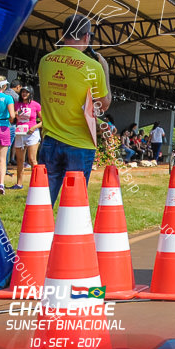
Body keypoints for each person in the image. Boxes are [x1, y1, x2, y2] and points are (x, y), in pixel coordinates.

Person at [37, 13, 111, 206]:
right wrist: (105, 70)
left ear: (63, 34)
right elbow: (103, 104)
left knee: (43, 202)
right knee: (73, 206)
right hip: (80, 144)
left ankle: (40, 236)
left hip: (50, 141)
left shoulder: (45, 61)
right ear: (87, 37)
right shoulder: (94, 66)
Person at [12, 85, 43, 188]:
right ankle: (19, 183)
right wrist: (14, 115)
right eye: (23, 92)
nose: (24, 94)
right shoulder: (17, 104)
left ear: (31, 94)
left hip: (32, 134)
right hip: (20, 133)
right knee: (20, 160)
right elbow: (11, 119)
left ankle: (37, 183)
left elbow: (44, 121)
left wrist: (34, 127)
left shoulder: (36, 105)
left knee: (32, 159)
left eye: (26, 92)